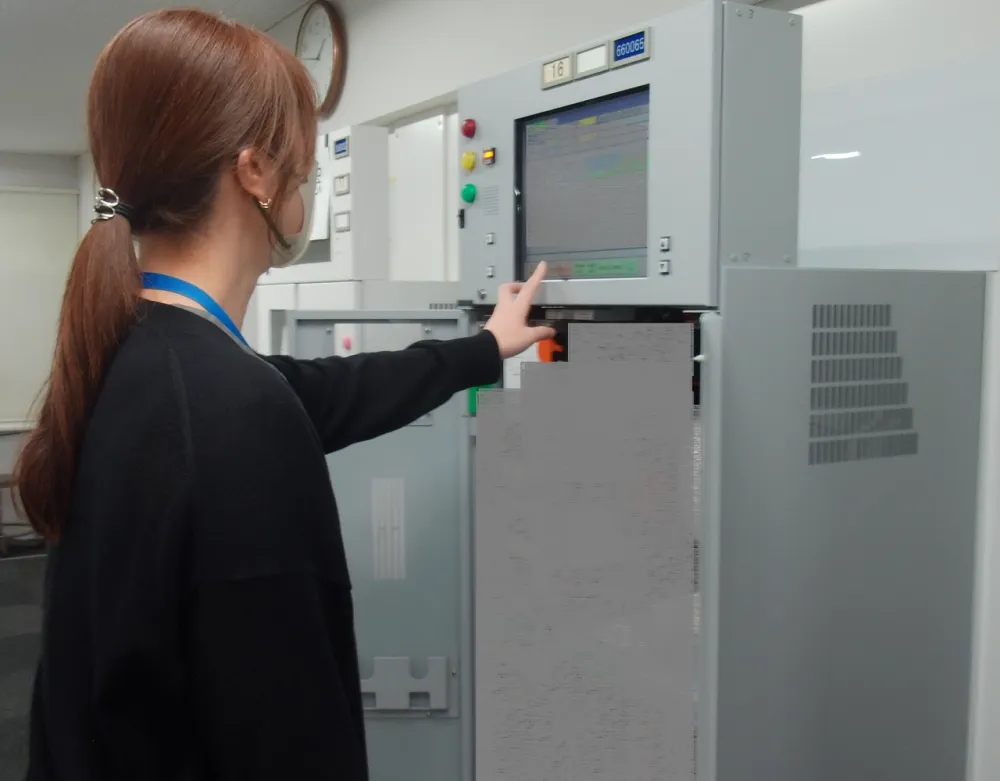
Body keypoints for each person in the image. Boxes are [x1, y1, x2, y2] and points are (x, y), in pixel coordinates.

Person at [14, 9, 555, 780]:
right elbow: (288, 733)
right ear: (256, 173)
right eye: (302, 157)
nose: (307, 176)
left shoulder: (134, 355)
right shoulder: (232, 412)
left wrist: (484, 346)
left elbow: (330, 391)